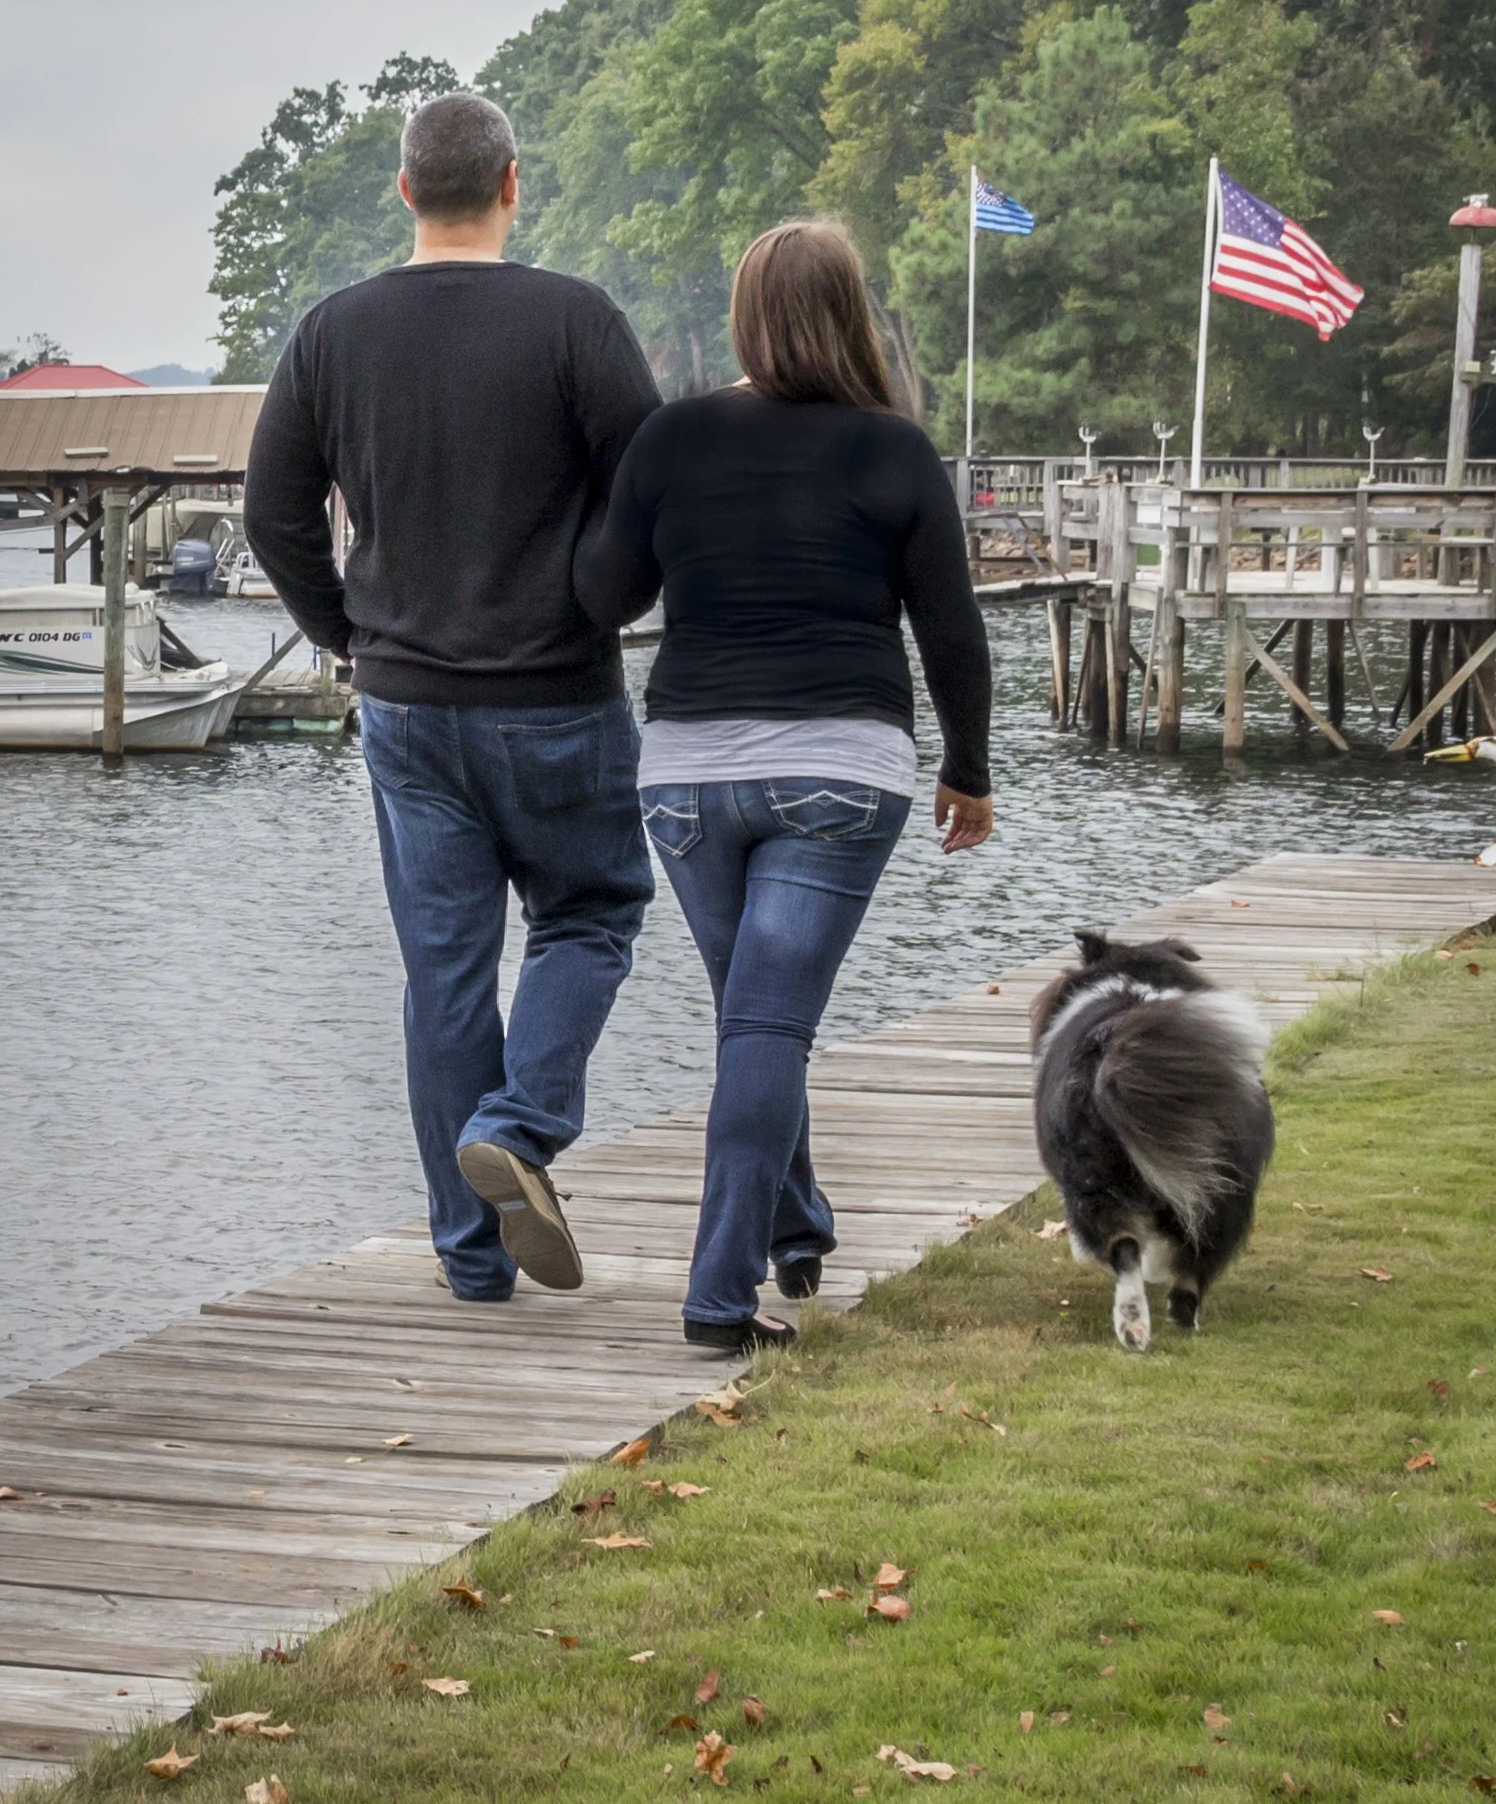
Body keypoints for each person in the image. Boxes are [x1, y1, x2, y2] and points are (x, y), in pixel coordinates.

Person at [244, 91, 660, 1303]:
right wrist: (601, 604)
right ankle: (521, 1128)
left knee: (443, 974)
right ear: (513, 185)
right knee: (591, 913)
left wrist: (345, 636)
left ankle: (470, 1258)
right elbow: (647, 496)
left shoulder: (332, 334)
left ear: (406, 193)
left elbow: (275, 514)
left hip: (407, 707)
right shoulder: (576, 323)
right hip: (559, 696)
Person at [576, 220, 993, 1353]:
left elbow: (605, 598)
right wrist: (968, 771)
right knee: (765, 1021)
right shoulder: (892, 450)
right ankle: (717, 1299)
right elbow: (950, 632)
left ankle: (797, 1225)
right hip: (838, 774)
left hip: (685, 783)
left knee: (757, 1017)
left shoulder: (670, 440)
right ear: (851, 310)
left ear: (745, 314)